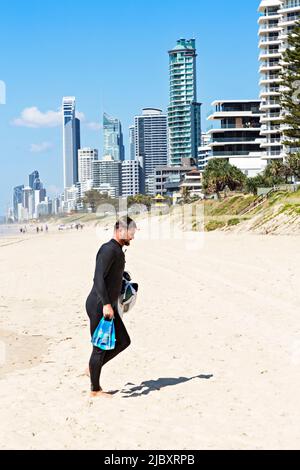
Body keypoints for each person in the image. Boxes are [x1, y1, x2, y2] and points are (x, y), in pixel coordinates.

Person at [85, 216, 137, 398]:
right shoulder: (108, 250)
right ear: (120, 230)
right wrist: (107, 304)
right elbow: (98, 278)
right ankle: (95, 390)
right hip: (100, 305)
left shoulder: (117, 251)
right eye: (131, 233)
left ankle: (93, 367)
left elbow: (110, 274)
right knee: (99, 348)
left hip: (108, 305)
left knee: (123, 341)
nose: (132, 238)